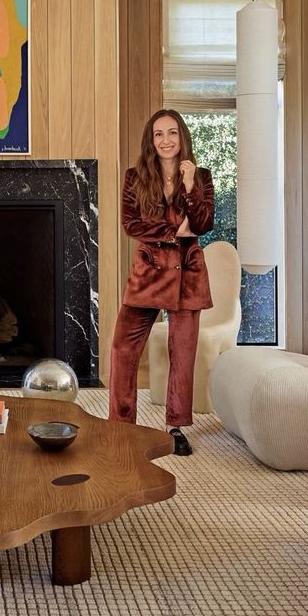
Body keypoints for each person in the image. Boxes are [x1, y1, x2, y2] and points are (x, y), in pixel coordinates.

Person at [108, 109, 214, 455]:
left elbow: (203, 223)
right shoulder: (134, 177)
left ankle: (175, 428)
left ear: (182, 136)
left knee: (182, 353)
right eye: (158, 134)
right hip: (149, 272)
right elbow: (131, 224)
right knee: (123, 349)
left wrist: (188, 187)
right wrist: (174, 232)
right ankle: (121, 427)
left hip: (188, 275)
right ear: (150, 141)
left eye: (172, 133)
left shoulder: (202, 178)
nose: (166, 140)